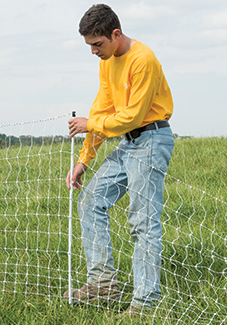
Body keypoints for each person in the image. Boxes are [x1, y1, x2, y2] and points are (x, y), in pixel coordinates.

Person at [63, 3, 175, 315]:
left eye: (97, 45)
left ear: (115, 34)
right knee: (90, 200)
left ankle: (145, 302)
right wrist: (84, 159)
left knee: (143, 221)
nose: (93, 52)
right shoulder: (107, 61)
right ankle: (103, 286)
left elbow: (132, 116)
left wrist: (91, 124)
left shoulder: (143, 60)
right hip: (129, 143)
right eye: (89, 46)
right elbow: (102, 111)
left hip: (152, 139)